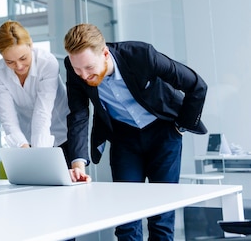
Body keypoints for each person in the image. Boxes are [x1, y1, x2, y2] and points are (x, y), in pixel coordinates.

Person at [63, 23, 208, 241]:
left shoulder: (142, 56)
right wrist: (77, 163)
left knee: (161, 218)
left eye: (89, 68)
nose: (83, 75)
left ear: (105, 53)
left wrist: (181, 127)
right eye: (78, 70)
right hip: (124, 138)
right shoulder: (74, 65)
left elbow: (197, 85)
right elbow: (78, 114)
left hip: (163, 134)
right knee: (125, 221)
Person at [0, 21, 71, 161]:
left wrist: (38, 156)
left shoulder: (46, 63)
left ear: (31, 45)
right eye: (9, 62)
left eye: (23, 58)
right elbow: (7, 117)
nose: (19, 66)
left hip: (62, 134)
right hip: (26, 139)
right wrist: (23, 147)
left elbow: (42, 112)